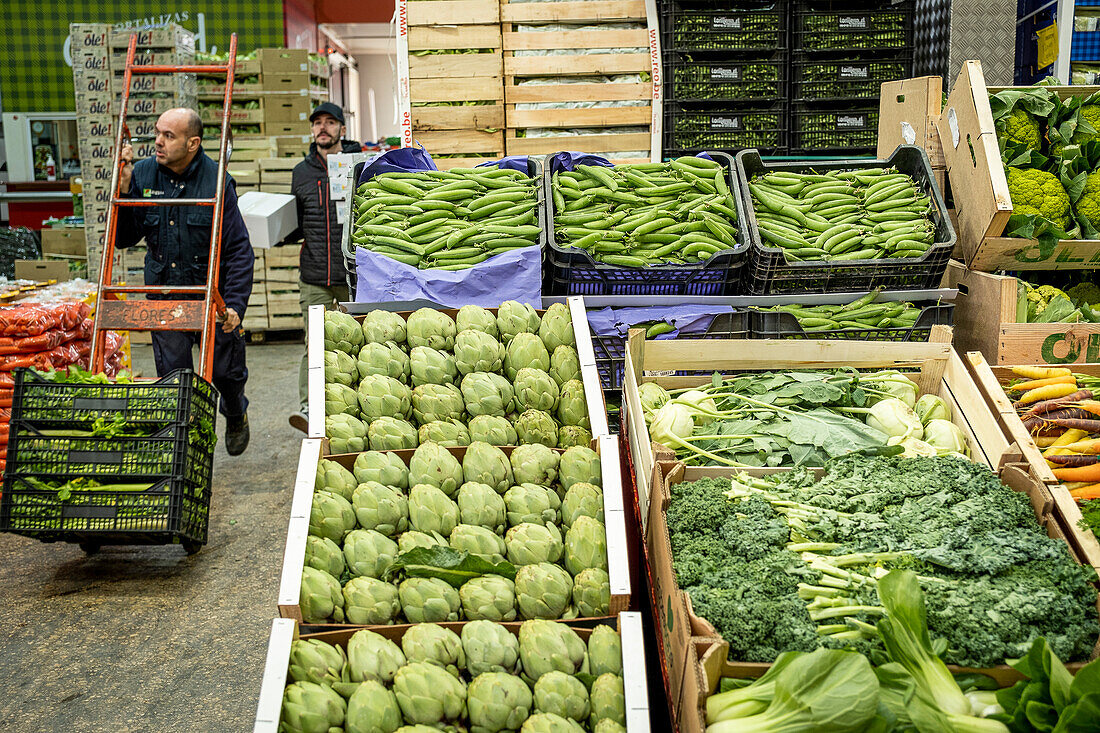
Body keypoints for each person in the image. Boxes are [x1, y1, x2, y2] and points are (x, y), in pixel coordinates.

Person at [115, 107, 255, 456]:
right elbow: (123, 238)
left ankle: (235, 410)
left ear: (193, 143)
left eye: (168, 136)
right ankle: (186, 450)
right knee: (176, 377)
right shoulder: (144, 174)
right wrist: (124, 192)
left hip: (213, 299)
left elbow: (238, 248)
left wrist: (236, 305)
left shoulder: (217, 181)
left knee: (226, 373)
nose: (158, 142)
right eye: (158, 133)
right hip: (167, 296)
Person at [288, 102, 362, 432]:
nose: (323, 128)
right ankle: (308, 408)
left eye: (330, 122)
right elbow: (296, 224)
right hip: (315, 274)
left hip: (352, 273)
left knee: (358, 341)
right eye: (317, 122)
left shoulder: (359, 165)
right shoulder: (301, 172)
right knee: (313, 343)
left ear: (342, 130)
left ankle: (359, 402)